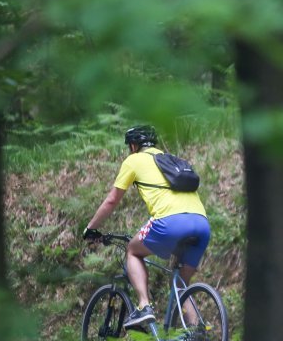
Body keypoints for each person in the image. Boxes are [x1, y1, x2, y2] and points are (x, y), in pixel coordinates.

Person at [83, 125, 210, 327]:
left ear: (133, 146)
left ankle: (144, 306)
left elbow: (112, 200)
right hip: (202, 223)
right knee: (180, 285)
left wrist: (90, 229)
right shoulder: (170, 159)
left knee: (133, 251)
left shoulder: (133, 160)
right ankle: (196, 334)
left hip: (171, 222)